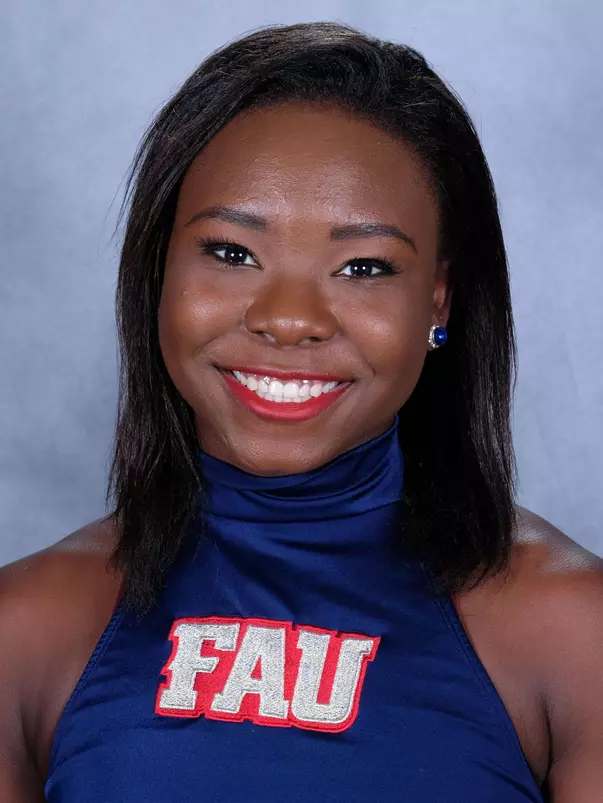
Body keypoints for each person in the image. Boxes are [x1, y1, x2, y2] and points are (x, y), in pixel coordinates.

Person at [1, 20, 601, 802]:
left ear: (438, 299)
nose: (288, 319)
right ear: (159, 273)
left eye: (362, 266)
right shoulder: (25, 628)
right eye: (231, 252)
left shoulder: (572, 630)